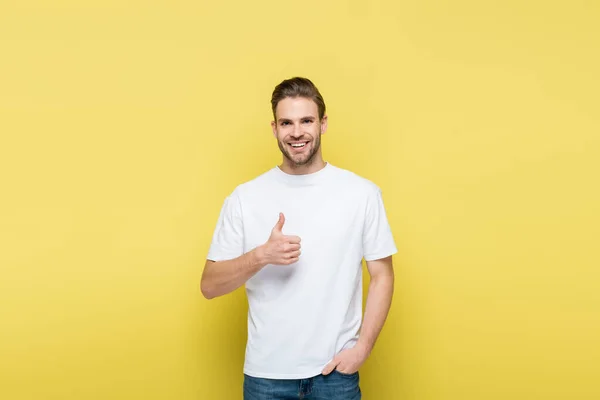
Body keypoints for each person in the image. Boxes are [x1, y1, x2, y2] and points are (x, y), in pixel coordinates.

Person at [201, 77, 397, 399]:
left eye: (306, 120)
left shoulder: (361, 194)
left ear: (323, 124)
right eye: (286, 123)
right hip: (266, 378)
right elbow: (209, 286)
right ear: (274, 128)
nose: (296, 132)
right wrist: (261, 255)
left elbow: (382, 275)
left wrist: (362, 349)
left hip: (335, 377)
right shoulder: (245, 198)